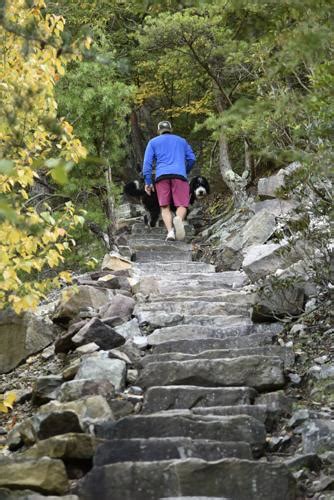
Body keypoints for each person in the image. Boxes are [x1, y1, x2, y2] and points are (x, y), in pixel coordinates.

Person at [142, 120, 196, 241]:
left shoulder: (153, 142)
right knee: (182, 204)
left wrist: (148, 181)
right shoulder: (182, 141)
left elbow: (147, 164)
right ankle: (178, 219)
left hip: (161, 176)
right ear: (171, 129)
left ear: (159, 131)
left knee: (164, 206)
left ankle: (170, 232)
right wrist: (184, 170)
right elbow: (192, 159)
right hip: (179, 175)